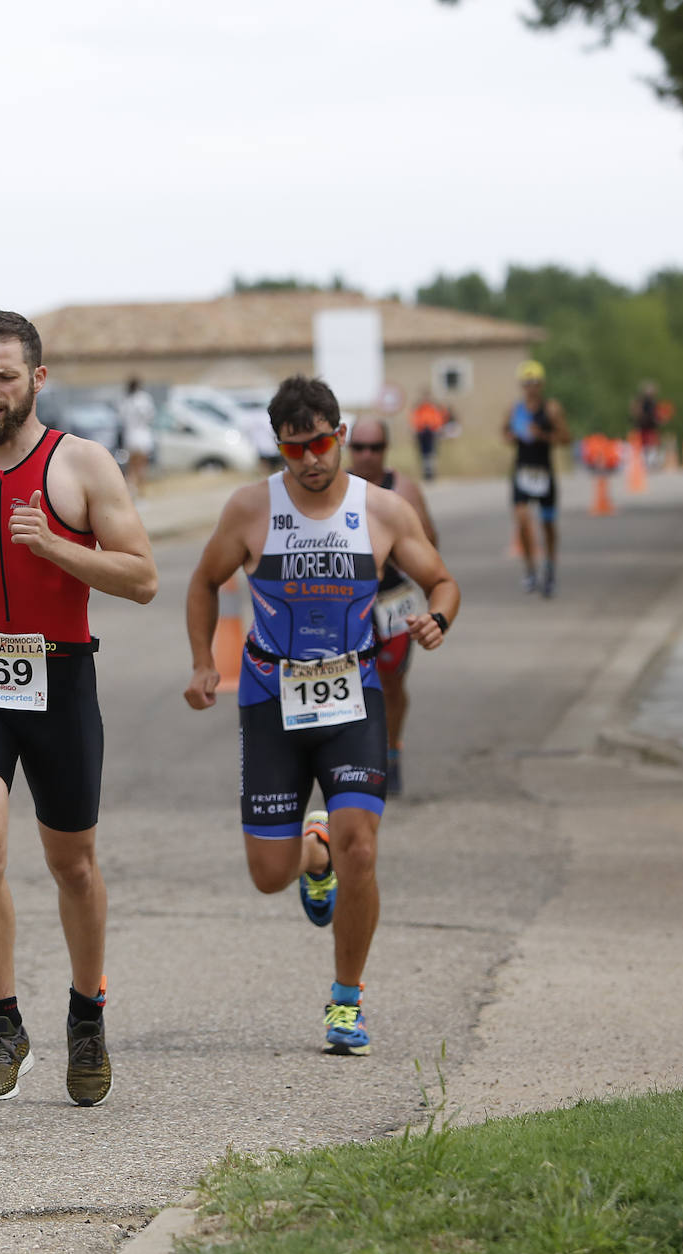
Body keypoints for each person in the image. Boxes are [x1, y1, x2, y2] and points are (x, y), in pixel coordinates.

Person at [0, 309, 157, 1105]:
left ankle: (87, 1015)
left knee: (72, 864)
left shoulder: (83, 466)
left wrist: (55, 546)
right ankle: (5, 1021)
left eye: (5, 377)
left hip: (60, 677)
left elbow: (142, 577)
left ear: (37, 381)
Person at [183, 375, 459, 1056]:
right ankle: (314, 853)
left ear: (340, 435)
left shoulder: (384, 510)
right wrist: (201, 662)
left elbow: (441, 580)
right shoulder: (251, 509)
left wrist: (438, 620)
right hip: (270, 697)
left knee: (363, 844)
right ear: (278, 447)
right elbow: (202, 580)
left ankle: (346, 1001)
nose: (310, 460)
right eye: (293, 448)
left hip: (352, 692)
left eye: (320, 443)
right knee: (269, 875)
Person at [345, 416, 439, 798]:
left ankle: (392, 751)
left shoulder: (403, 489)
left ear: (386, 450)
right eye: (359, 447)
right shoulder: (336, 489)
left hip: (392, 601)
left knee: (391, 685)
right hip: (348, 604)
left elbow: (431, 547)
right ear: (348, 449)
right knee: (347, 684)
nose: (367, 455)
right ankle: (354, 760)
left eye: (375, 448)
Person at [504, 360, 570, 598]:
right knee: (521, 519)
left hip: (544, 473)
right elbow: (504, 432)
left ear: (541, 384)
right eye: (527, 383)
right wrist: (511, 436)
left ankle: (550, 570)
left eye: (535, 383)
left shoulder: (551, 409)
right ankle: (530, 569)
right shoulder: (515, 409)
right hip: (522, 472)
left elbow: (565, 438)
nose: (531, 387)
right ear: (522, 385)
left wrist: (541, 435)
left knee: (548, 525)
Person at [118, 377, 156, 498]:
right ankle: (141, 493)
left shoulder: (126, 400)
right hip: (143, 436)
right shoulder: (144, 398)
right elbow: (151, 416)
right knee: (142, 467)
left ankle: (131, 492)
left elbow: (121, 418)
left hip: (130, 437)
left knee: (131, 468)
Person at [409, 390, 446, 482]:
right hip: (421, 432)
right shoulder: (419, 408)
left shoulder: (433, 408)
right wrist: (414, 430)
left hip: (431, 431)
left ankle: (431, 473)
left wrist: (438, 428)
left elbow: (438, 418)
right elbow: (414, 419)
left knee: (431, 453)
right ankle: (426, 473)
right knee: (423, 454)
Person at [630, 381, 663, 471]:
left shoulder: (653, 401)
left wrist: (657, 419)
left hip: (651, 426)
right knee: (643, 445)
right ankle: (643, 463)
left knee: (651, 445)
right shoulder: (642, 401)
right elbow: (636, 411)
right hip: (643, 426)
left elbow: (656, 414)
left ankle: (649, 463)